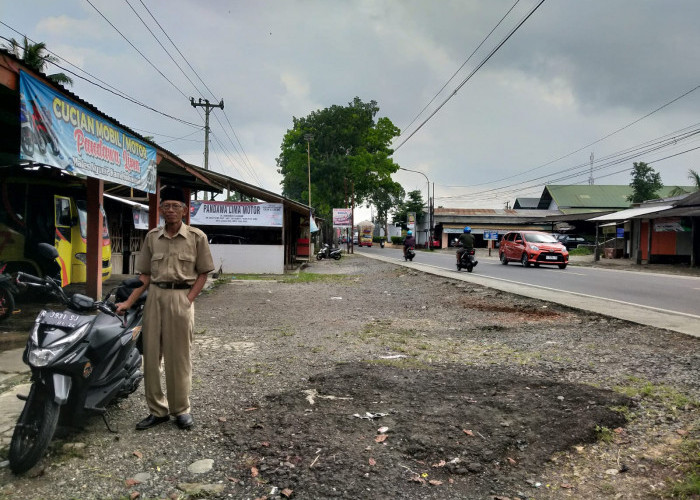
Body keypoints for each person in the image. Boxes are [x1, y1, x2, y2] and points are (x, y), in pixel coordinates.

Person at [116, 186, 214, 431]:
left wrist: (189, 299)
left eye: (175, 206)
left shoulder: (196, 237)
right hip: (155, 297)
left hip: (181, 297)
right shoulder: (152, 237)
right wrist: (128, 302)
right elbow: (145, 276)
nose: (170, 210)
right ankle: (157, 410)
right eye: (166, 206)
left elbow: (203, 273)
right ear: (160, 209)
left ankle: (181, 409)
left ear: (185, 210)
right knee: (150, 357)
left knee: (179, 358)